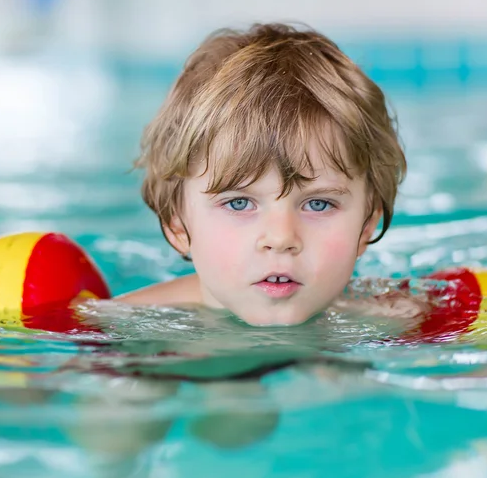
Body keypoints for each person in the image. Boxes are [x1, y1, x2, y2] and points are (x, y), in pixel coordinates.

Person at [118, 22, 411, 326]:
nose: (281, 238)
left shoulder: (399, 319)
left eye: (318, 204)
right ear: (177, 224)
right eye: (239, 203)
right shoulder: (123, 329)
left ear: (366, 226)